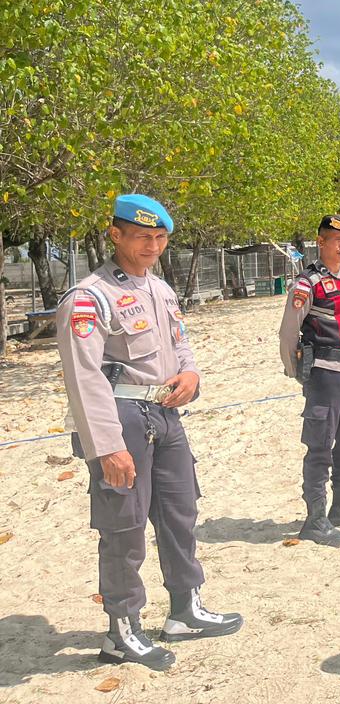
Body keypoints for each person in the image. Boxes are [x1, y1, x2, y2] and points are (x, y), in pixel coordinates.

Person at [54, 194, 242, 671]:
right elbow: (84, 378)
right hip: (122, 420)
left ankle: (185, 610)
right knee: (125, 528)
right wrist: (107, 447)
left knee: (181, 513)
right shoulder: (89, 297)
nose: (152, 246)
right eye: (142, 237)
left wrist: (192, 376)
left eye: (160, 238)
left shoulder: (159, 290)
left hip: (167, 416)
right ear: (115, 235)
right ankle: (122, 632)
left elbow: (181, 346)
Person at [279, 215, 340, 547]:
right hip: (324, 374)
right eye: (337, 241)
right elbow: (289, 331)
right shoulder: (308, 283)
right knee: (320, 445)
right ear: (321, 243)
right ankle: (315, 519)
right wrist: (297, 373)